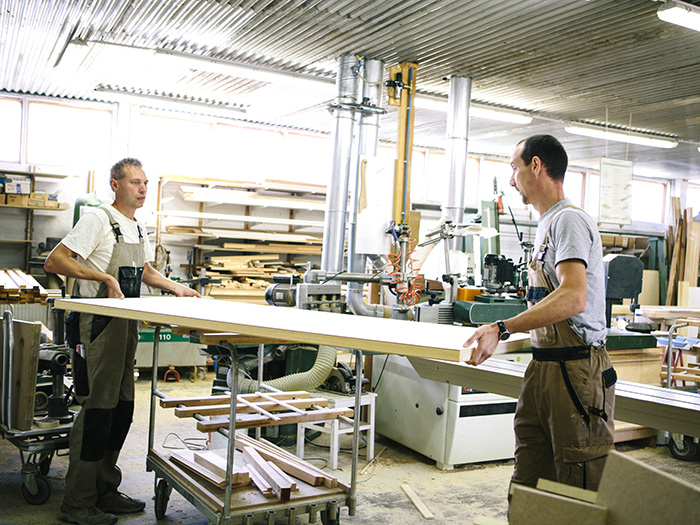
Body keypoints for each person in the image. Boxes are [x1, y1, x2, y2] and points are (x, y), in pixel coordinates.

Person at [45, 158, 201, 525]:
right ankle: (78, 501)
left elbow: (144, 271)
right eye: (134, 182)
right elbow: (57, 261)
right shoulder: (98, 219)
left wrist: (177, 288)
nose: (143, 188)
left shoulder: (136, 226)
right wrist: (106, 279)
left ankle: (105, 488)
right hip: (98, 326)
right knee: (98, 410)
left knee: (122, 408)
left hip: (125, 325)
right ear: (115, 185)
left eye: (145, 182)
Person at [463, 135, 616, 496]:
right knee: (530, 481)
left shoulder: (568, 221)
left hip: (576, 371)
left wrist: (502, 327)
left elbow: (574, 296)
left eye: (515, 169)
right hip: (545, 366)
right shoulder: (547, 225)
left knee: (578, 487)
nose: (513, 180)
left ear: (536, 165)